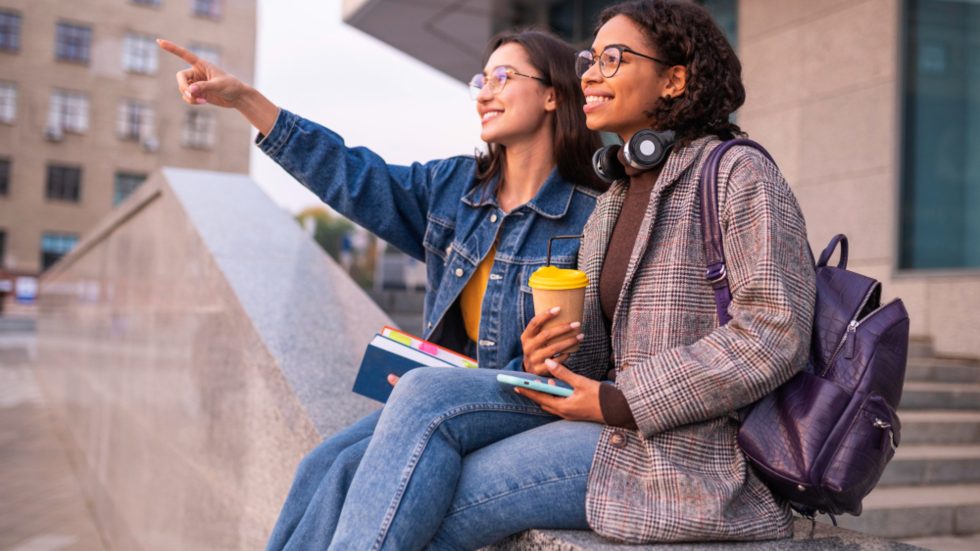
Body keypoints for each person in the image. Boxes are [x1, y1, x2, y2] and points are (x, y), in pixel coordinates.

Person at [320, 1, 818, 549]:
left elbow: (775, 331)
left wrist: (620, 401)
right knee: (411, 426)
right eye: (590, 59)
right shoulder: (619, 195)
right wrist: (547, 354)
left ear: (673, 79)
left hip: (686, 457)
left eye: (613, 59)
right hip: (609, 430)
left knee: (423, 486)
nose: (590, 74)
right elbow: (598, 353)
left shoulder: (738, 171)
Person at [158, 29, 605, 550]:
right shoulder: (455, 190)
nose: (484, 92)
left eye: (503, 78)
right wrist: (245, 100)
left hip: (535, 398)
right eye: (481, 80)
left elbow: (606, 344)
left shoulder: (591, 214)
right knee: (325, 463)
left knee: (365, 458)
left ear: (553, 95)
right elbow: (352, 176)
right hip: (455, 394)